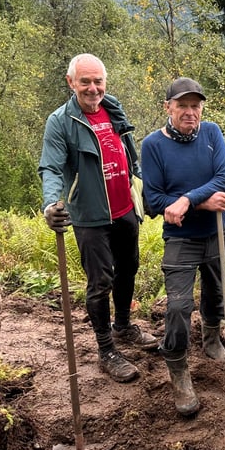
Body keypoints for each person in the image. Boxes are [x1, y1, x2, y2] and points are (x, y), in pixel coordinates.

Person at [39, 53, 159, 383]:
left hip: (124, 208)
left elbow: (128, 150)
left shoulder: (112, 107)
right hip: (89, 214)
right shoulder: (60, 121)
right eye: (85, 82)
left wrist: (144, 186)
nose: (93, 88)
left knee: (129, 268)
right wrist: (51, 203)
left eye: (98, 81)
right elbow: (50, 167)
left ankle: (123, 326)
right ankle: (106, 350)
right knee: (100, 282)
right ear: (71, 83)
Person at [141, 77, 225, 416]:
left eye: (195, 106)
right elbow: (152, 200)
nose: (190, 112)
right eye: (182, 106)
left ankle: (212, 338)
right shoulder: (153, 145)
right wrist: (199, 202)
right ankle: (178, 369)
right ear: (168, 108)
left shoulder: (211, 133)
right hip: (180, 240)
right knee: (179, 306)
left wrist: (187, 200)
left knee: (216, 291)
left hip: (215, 232)